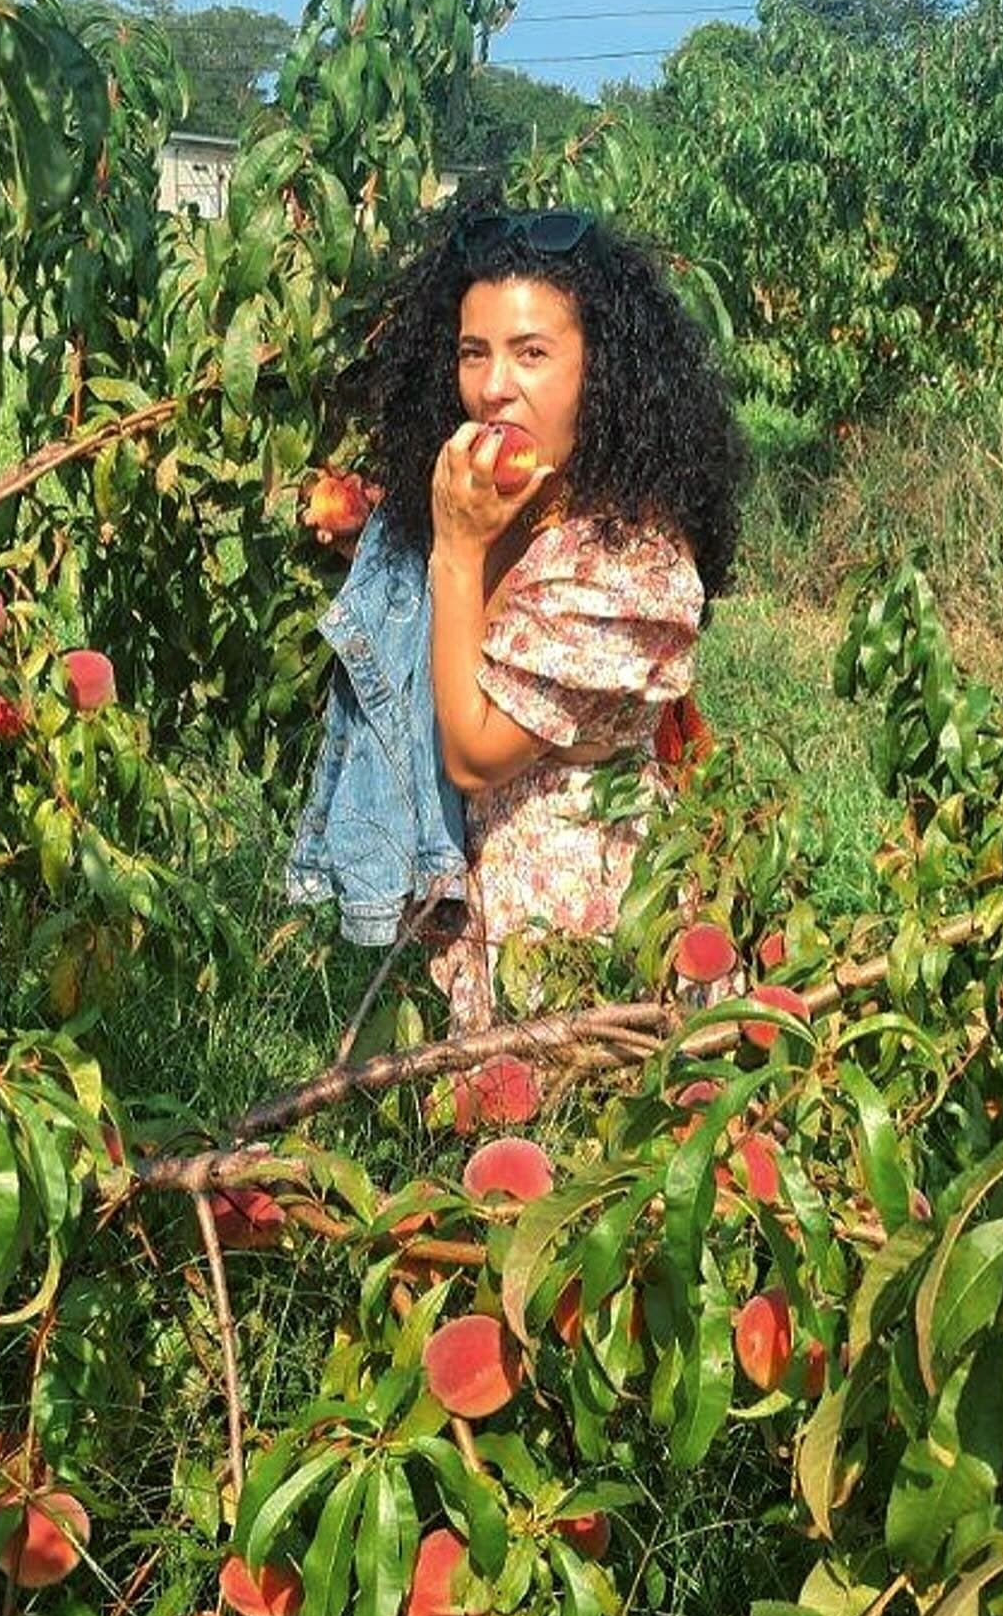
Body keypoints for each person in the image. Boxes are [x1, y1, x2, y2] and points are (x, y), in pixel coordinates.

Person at [288, 193, 749, 1035]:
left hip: (584, 932)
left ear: (599, 369)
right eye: (474, 353)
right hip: (497, 912)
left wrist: (455, 552)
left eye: (531, 353)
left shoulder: (629, 558)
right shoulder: (518, 508)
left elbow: (474, 755)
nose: (494, 388)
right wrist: (390, 544)